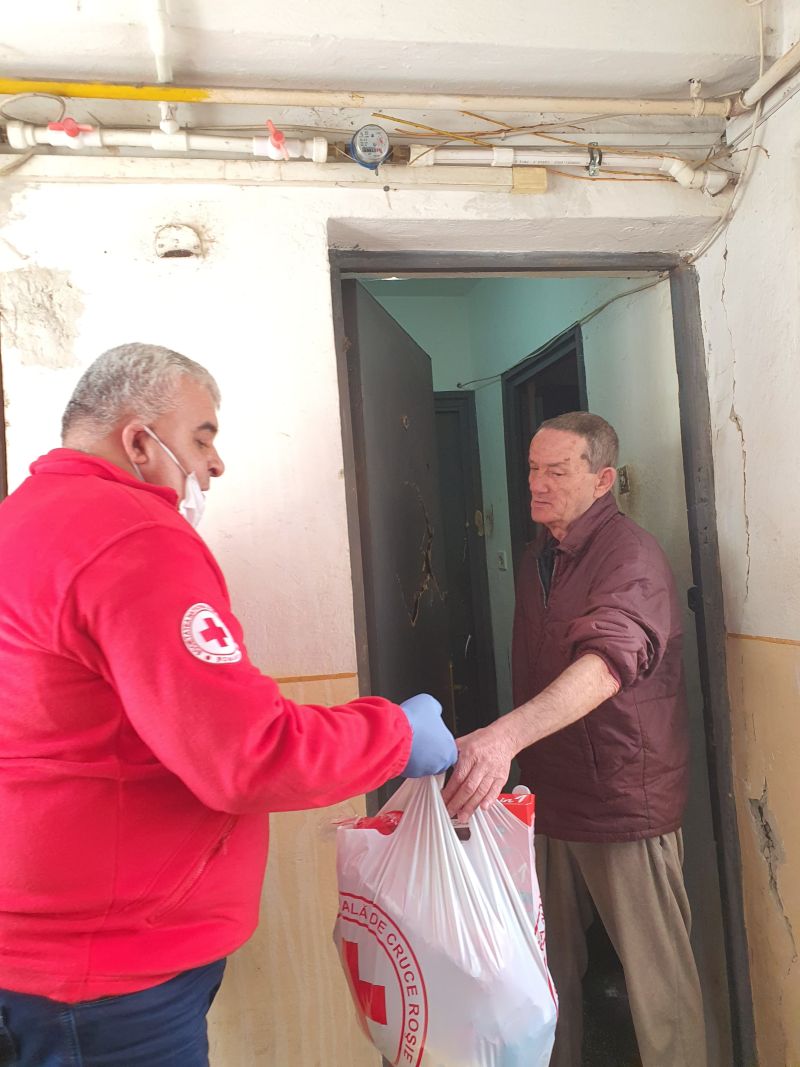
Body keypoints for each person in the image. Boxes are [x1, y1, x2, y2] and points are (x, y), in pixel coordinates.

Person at [0, 342, 456, 1067]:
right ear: (139, 442)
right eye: (202, 438)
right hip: (110, 978)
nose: (216, 464)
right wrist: (395, 734)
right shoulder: (134, 536)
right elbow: (248, 753)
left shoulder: (21, 521)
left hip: (46, 952)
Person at [443, 412, 706, 1067]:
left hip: (621, 802)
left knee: (660, 990)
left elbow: (608, 663)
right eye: (533, 468)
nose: (537, 483)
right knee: (544, 974)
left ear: (602, 479)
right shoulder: (540, 555)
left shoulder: (630, 556)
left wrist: (503, 737)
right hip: (549, 796)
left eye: (557, 471)